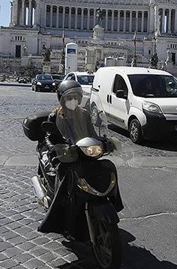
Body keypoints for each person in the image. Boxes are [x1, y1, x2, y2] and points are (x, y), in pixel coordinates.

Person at [37, 80, 124, 239]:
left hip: (84, 152)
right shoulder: (56, 115)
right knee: (64, 180)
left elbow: (92, 133)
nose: (73, 101)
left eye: (76, 97)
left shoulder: (83, 114)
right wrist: (55, 147)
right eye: (69, 98)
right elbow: (49, 138)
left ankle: (112, 200)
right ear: (62, 99)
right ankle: (61, 219)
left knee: (108, 167)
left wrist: (103, 141)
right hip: (67, 155)